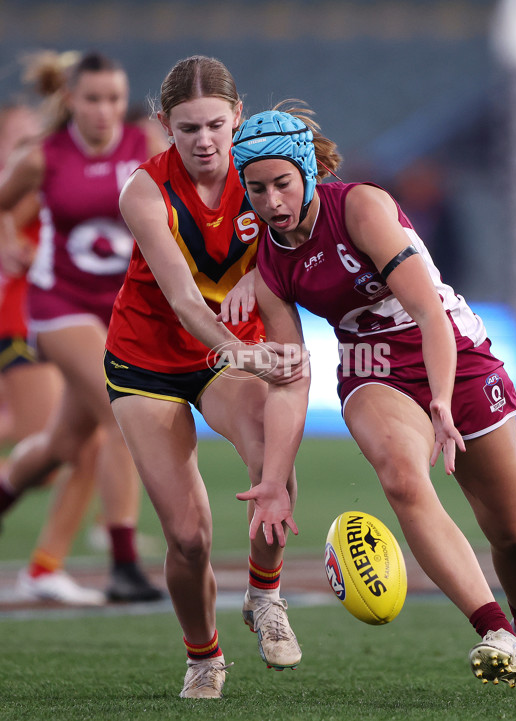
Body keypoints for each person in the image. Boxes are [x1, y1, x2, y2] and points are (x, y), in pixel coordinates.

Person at [226, 105, 516, 698]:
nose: (271, 201)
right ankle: (495, 632)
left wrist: (441, 402)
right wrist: (273, 477)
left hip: (454, 358)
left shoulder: (361, 206)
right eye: (256, 189)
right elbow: (291, 378)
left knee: (514, 535)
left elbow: (429, 314)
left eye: (281, 183)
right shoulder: (268, 263)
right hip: (373, 369)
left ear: (308, 172)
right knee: (401, 478)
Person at [104, 55, 304, 700]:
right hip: (147, 362)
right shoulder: (144, 190)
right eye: (187, 128)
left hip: (225, 358)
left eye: (217, 124)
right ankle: (203, 657)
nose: (205, 141)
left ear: (239, 116)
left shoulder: (263, 173)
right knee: (188, 538)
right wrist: (239, 351)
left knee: (275, 460)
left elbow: (304, 235)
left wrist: (258, 281)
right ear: (164, 124)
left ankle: (264, 595)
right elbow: (186, 299)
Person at [0, 51, 166, 603]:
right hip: (59, 306)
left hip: (120, 308)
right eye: (93, 99)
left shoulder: (144, 144)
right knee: (126, 408)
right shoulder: (43, 157)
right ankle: (123, 563)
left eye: (115, 99)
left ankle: (32, 545)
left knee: (65, 444)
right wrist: (7, 239)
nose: (105, 111)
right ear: (70, 100)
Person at [0, 100, 104, 605]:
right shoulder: (36, 171)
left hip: (58, 321)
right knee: (63, 450)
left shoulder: (73, 174)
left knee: (80, 446)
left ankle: (46, 567)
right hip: (26, 322)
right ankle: (49, 566)